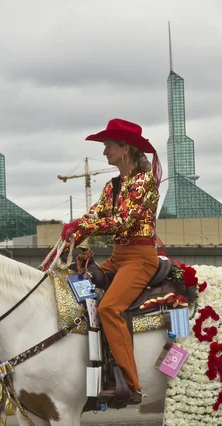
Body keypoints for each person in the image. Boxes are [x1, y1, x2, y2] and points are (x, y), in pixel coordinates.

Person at [61, 118, 162, 403]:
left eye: (108, 146)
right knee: (73, 286)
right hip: (118, 258)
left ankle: (131, 384)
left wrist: (83, 227)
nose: (104, 152)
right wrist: (74, 229)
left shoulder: (144, 182)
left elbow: (123, 221)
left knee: (109, 308)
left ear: (125, 149)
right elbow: (95, 215)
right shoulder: (112, 185)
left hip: (140, 260)